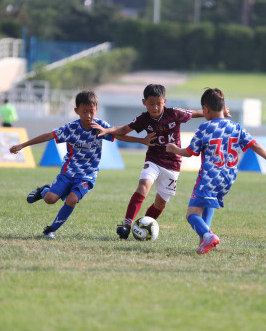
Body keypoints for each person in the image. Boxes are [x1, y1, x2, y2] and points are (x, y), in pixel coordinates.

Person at [9, 90, 155, 238]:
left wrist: (142, 140)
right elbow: (49, 135)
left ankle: (50, 230)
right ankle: (44, 191)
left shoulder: (100, 126)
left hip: (87, 175)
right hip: (68, 173)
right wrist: (23, 145)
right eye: (84, 112)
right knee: (49, 199)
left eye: (91, 112)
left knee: (72, 199)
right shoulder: (71, 128)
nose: (88, 116)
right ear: (76, 111)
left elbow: (119, 136)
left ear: (96, 110)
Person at [92, 84, 225, 240]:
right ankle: (127, 225)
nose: (155, 107)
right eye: (151, 104)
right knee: (143, 186)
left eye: (158, 104)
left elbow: (196, 113)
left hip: (173, 164)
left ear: (165, 102)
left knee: (160, 205)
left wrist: (218, 113)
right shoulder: (143, 119)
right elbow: (123, 131)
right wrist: (107, 131)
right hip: (153, 159)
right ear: (144, 103)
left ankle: (142, 227)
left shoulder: (174, 113)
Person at [166, 88, 266, 254]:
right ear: (223, 107)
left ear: (206, 109)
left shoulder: (205, 128)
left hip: (209, 176)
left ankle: (208, 236)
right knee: (208, 203)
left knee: (191, 214)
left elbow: (189, 152)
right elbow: (255, 145)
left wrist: (174, 149)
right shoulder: (236, 127)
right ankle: (204, 242)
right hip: (228, 178)